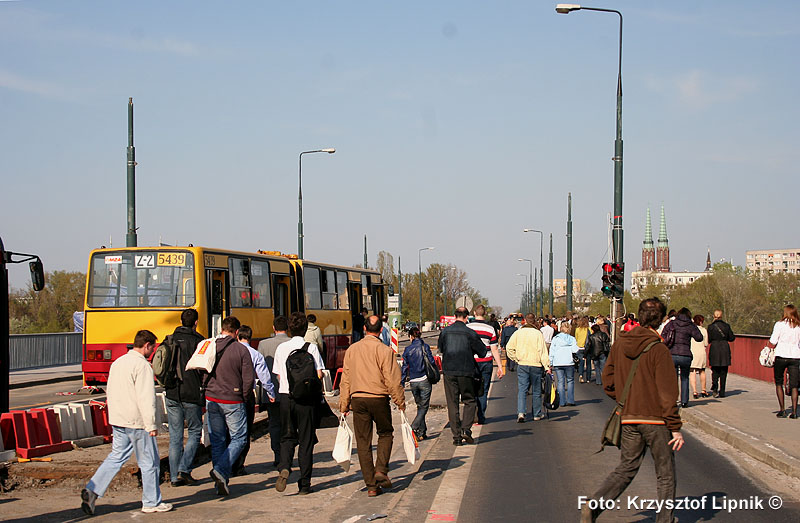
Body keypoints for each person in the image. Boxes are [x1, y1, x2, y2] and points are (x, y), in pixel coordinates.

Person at [581, 297, 684, 523]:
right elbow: (668, 394)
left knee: (626, 468)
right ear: (661, 320)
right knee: (665, 473)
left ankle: (594, 504)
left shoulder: (620, 344)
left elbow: (607, 380)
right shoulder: (658, 349)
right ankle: (665, 519)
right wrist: (675, 427)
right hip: (656, 420)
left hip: (628, 417)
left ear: (638, 316)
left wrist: (624, 399)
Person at [81, 330, 173, 515]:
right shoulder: (143, 366)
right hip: (137, 421)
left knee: (116, 457)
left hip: (119, 419)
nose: (153, 351)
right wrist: (151, 424)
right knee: (149, 462)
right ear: (146, 345)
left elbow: (111, 391)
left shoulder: (118, 363)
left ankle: (93, 489)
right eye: (152, 347)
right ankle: (151, 502)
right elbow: (146, 398)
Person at [340, 315, 405, 497]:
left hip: (358, 399)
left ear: (364, 329)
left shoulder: (352, 350)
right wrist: (399, 401)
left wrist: (344, 404)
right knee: (385, 433)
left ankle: (371, 486)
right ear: (381, 331)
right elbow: (392, 379)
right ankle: (381, 470)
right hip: (379, 398)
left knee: (363, 441)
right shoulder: (385, 351)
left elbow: (345, 379)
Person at [273, 312, 325, 494]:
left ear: (289, 329)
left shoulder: (281, 348)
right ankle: (304, 484)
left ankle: (284, 467)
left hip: (287, 398)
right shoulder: (310, 348)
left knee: (287, 437)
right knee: (306, 441)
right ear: (305, 330)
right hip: (306, 400)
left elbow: (279, 375)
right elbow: (318, 374)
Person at [204, 316, 255, 496]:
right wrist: (244, 397)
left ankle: (221, 480)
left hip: (212, 398)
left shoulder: (208, 346)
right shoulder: (241, 350)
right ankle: (221, 470)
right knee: (240, 438)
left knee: (217, 440)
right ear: (236, 332)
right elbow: (248, 379)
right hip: (233, 400)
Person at [164, 308, 205, 487]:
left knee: (175, 436)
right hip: (191, 392)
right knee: (195, 431)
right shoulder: (199, 342)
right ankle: (184, 470)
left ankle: (173, 477)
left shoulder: (169, 340)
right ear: (195, 322)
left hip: (172, 392)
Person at [439, 307, 487, 445]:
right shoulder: (470, 333)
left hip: (449, 371)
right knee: (469, 400)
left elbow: (441, 348)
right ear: (466, 317)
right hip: (467, 370)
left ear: (455, 316)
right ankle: (466, 429)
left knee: (452, 403)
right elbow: (482, 352)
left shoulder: (445, 332)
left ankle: (456, 437)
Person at [232, 325, 275, 476]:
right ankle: (238, 465)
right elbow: (264, 376)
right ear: (250, 337)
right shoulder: (255, 354)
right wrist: (270, 393)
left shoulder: (230, 351)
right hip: (247, 396)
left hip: (229, 396)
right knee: (245, 430)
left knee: (231, 430)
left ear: (237, 336)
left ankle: (228, 461)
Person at [257, 315, 290, 467]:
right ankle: (287, 454)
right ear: (287, 328)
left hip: (272, 393)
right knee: (289, 424)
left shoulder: (263, 344)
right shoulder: (293, 343)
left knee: (275, 424)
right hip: (290, 392)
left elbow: (260, 370)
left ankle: (277, 454)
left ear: (273, 328)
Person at [506, 313, 550, 422]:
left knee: (522, 389)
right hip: (536, 365)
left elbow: (509, 348)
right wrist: (547, 366)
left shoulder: (518, 333)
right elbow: (543, 351)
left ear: (525, 320)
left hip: (522, 364)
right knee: (536, 390)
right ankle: (537, 414)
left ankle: (521, 413)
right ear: (534, 321)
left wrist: (516, 359)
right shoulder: (538, 334)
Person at [467, 304, 504, 424]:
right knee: (483, 390)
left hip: (471, 362)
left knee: (472, 390)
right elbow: (494, 349)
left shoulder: (468, 328)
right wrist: (500, 366)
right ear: (484, 314)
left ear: (474, 313)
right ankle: (481, 416)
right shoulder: (490, 329)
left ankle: (472, 416)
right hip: (486, 362)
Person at [661, 307, 702, 408]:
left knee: (673, 379)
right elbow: (699, 338)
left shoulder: (672, 323)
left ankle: (673, 400)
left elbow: (663, 335)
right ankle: (684, 401)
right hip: (685, 355)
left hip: (672, 354)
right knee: (685, 378)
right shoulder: (690, 325)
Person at [401, 326, 437, 440]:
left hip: (413, 381)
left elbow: (404, 368)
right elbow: (431, 361)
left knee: (420, 406)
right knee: (424, 407)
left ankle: (422, 432)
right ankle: (414, 427)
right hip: (424, 379)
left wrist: (401, 383)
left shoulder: (407, 350)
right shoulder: (425, 347)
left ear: (411, 336)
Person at [767, 304, 800, 418]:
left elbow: (773, 340)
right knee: (794, 385)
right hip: (795, 356)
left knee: (779, 382)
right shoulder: (798, 326)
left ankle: (782, 410)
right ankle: (795, 412)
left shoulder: (779, 325)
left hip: (781, 355)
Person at [549, 322, 580, 407]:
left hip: (558, 362)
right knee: (570, 381)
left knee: (560, 382)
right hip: (569, 362)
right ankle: (570, 400)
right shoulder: (572, 339)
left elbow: (552, 351)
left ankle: (562, 401)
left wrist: (550, 362)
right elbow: (575, 350)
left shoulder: (555, 339)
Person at [707, 309, 735, 398]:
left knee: (715, 370)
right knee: (723, 371)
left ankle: (715, 388)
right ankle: (722, 391)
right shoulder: (726, 326)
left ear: (714, 316)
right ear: (721, 316)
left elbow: (709, 339)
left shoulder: (710, 327)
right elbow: (731, 338)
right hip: (724, 349)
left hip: (714, 348)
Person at [690, 315, 709, 399]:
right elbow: (706, 343)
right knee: (702, 371)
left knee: (692, 372)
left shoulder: (690, 329)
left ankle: (694, 391)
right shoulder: (704, 330)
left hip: (692, 352)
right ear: (701, 321)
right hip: (701, 352)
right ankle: (703, 390)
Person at [573, 316, 590, 383]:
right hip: (587, 348)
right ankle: (588, 378)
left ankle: (581, 375)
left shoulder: (577, 329)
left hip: (579, 347)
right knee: (588, 363)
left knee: (581, 363)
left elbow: (576, 338)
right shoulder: (588, 329)